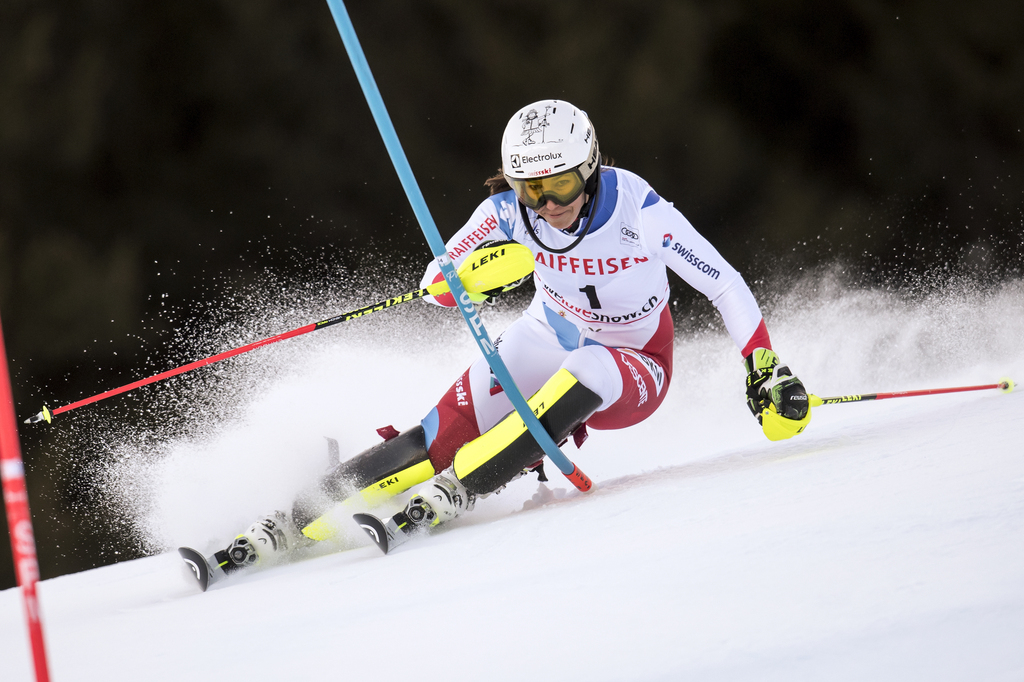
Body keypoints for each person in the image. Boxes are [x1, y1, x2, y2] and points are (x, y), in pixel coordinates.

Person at [209, 99, 810, 574]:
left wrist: (763, 365)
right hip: (545, 335)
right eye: (532, 190)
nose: (548, 206)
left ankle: (460, 489)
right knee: (437, 434)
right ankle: (294, 519)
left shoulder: (640, 210)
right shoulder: (507, 212)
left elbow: (724, 284)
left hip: (635, 360)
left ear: (591, 168)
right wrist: (465, 280)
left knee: (591, 370)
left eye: (563, 186)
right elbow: (436, 282)